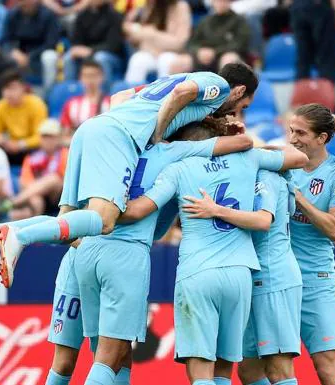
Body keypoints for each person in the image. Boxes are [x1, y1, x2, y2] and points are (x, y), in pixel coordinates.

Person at [0, 63, 259, 289]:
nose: (236, 111)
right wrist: (155, 134)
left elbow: (118, 96)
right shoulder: (217, 85)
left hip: (92, 129)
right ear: (240, 91)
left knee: (70, 225)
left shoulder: (172, 82)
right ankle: (20, 236)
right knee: (104, 219)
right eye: (242, 106)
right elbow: (184, 95)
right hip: (118, 138)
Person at [46, 119, 255, 385]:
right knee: (106, 356)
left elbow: (68, 216)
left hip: (84, 254)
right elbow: (247, 145)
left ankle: (18, 233)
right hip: (120, 256)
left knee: (105, 356)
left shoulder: (107, 150)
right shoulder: (173, 162)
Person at [116, 137, 307, 385]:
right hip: (242, 273)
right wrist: (252, 146)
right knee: (239, 371)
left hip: (207, 273)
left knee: (204, 371)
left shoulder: (181, 167)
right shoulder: (248, 160)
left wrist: (101, 214)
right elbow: (298, 158)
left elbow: (143, 210)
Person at [182, 167, 303, 385]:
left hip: (272, 277)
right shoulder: (244, 174)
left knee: (279, 368)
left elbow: (263, 221)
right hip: (249, 277)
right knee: (249, 372)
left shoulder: (266, 175)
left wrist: (216, 210)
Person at [286, 103, 335, 385]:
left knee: (326, 368)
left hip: (315, 278)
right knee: (257, 366)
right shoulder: (282, 163)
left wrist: (299, 198)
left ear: (322, 138)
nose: (292, 138)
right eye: (291, 130)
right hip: (276, 277)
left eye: (301, 133)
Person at [8, 119, 69, 220]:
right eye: (44, 136)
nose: (47, 140)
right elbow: (25, 181)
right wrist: (39, 189)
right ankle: (35, 232)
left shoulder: (66, 154)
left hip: (58, 196)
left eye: (51, 137)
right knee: (36, 200)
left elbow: (64, 180)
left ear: (59, 138)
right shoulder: (32, 157)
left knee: (53, 179)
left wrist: (42, 186)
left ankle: (14, 202)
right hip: (37, 196)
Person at [169, 0, 251, 74]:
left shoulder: (239, 21)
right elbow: (191, 43)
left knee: (229, 60)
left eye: (224, 1)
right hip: (202, 58)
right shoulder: (205, 21)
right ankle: (176, 89)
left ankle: (228, 89)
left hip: (224, 55)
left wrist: (215, 52)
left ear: (230, 2)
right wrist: (199, 51)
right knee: (179, 63)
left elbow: (239, 45)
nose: (220, 3)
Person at [0, 69, 48, 165]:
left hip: (31, 148)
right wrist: (0, 140)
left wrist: (21, 144)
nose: (8, 93)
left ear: (23, 88)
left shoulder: (36, 104)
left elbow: (41, 137)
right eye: (5, 89)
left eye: (13, 88)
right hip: (9, 147)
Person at [123, 0, 192, 84]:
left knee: (165, 60)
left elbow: (180, 42)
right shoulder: (148, 6)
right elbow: (137, 36)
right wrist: (131, 27)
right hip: (149, 52)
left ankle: (165, 96)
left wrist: (152, 34)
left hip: (173, 53)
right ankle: (132, 95)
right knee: (138, 59)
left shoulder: (180, 6)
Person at [2, 0, 61, 91]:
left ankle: (49, 93)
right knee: (4, 55)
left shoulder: (48, 15)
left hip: (41, 52)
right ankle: (10, 91)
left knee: (50, 57)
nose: (26, 3)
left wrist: (30, 56)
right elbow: (5, 40)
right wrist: (13, 51)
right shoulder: (12, 15)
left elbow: (51, 43)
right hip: (19, 52)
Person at [290, 0, 335, 82]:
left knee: (302, 58)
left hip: (297, 7)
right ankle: (326, 92)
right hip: (319, 6)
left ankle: (302, 92)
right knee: (326, 57)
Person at [59, 59, 110, 145]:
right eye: (86, 76)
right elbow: (64, 136)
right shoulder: (72, 104)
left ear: (102, 77)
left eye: (93, 75)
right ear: (80, 78)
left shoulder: (110, 102)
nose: (90, 80)